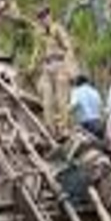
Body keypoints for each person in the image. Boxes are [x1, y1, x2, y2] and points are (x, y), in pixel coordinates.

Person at [33, 7, 75, 135]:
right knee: (47, 100)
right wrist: (32, 66)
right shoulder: (39, 33)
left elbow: (68, 48)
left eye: (45, 16)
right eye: (41, 17)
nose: (43, 19)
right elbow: (36, 52)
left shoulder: (57, 29)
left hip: (59, 64)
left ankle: (64, 129)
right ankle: (50, 129)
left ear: (50, 16)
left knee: (62, 99)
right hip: (46, 67)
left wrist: (70, 69)